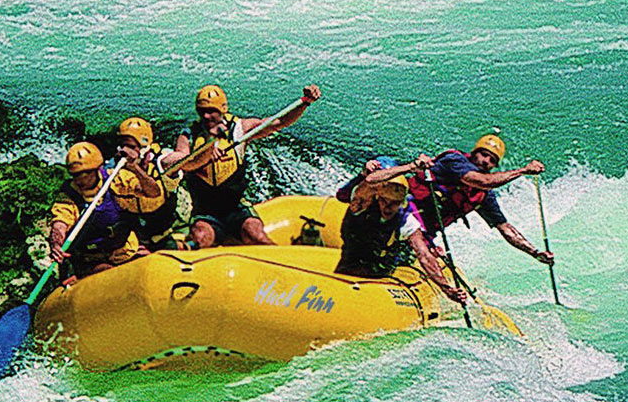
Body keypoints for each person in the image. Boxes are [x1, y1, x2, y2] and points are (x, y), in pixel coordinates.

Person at [165, 82, 321, 247]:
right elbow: (182, 162)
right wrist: (203, 155)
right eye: (202, 111)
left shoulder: (240, 129)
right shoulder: (188, 135)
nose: (206, 116)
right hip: (206, 211)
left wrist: (305, 102)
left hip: (236, 207)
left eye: (211, 111)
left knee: (256, 235)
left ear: (223, 109)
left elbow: (279, 122)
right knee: (201, 236)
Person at [332, 155, 468, 303]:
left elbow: (423, 255)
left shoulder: (406, 220)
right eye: (385, 201)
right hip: (347, 271)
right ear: (377, 196)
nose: (388, 208)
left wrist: (447, 289)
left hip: (379, 278)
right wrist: (411, 167)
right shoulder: (361, 205)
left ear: (401, 201)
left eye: (394, 202)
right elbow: (369, 181)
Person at [409, 133, 555, 267]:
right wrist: (522, 171)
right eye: (484, 155)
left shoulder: (483, 195)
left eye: (492, 160)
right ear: (474, 153)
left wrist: (535, 253)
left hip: (425, 233)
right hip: (404, 213)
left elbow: (505, 228)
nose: (486, 161)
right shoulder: (454, 161)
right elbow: (483, 181)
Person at [47, 141, 163, 277]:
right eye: (76, 174)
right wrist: (56, 244)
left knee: (152, 266)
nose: (80, 180)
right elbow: (60, 224)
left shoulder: (115, 179)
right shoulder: (68, 196)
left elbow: (153, 192)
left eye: (85, 173)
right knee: (108, 273)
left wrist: (134, 168)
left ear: (97, 169)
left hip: (125, 250)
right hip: (92, 259)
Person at [113, 116, 189, 249]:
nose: (125, 151)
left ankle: (185, 133)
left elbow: (154, 192)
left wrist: (134, 168)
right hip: (137, 232)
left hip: (167, 228)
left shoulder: (162, 162)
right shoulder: (115, 169)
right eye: (122, 145)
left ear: (144, 147)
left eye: (131, 146)